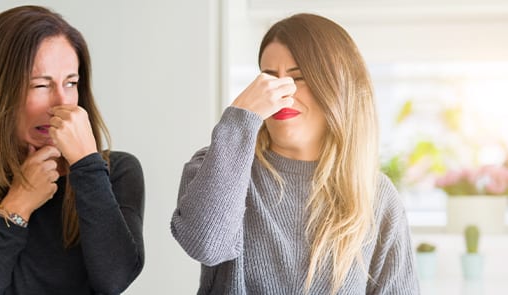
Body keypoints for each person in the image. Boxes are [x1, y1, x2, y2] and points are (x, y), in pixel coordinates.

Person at [170, 13, 418, 294]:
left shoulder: (376, 196)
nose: (281, 92)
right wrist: (241, 118)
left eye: (298, 77)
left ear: (336, 87)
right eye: (269, 78)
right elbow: (205, 244)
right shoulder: (216, 164)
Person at [0, 6, 145, 295]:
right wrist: (18, 206)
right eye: (41, 85)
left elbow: (115, 280)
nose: (62, 102)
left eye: (71, 83)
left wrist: (86, 165)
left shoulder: (117, 172)